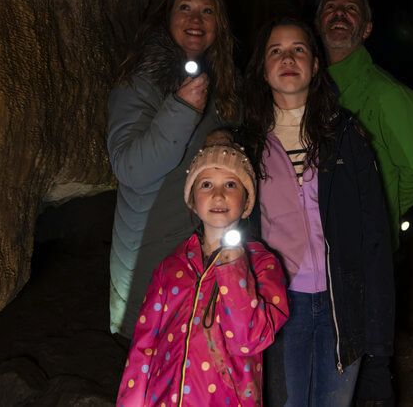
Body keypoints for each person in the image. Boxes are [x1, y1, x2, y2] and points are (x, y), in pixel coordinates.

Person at [243, 18, 395, 406]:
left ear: (315, 64)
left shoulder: (345, 136)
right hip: (278, 305)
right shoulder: (245, 146)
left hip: (341, 303)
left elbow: (374, 236)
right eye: (275, 50)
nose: (288, 58)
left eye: (299, 49)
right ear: (262, 68)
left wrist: (379, 342)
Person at [106, 0, 240, 338]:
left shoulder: (225, 87)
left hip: (201, 255)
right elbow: (131, 167)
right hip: (150, 257)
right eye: (185, 8)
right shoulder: (141, 81)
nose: (196, 19)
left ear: (218, 25)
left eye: (207, 11)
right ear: (167, 17)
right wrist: (181, 109)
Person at [116, 135, 290, 406]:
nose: (218, 195)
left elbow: (249, 341)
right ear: (191, 200)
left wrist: (234, 269)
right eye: (206, 184)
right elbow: (143, 346)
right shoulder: (171, 266)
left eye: (230, 184)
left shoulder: (263, 265)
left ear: (246, 202)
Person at [315, 0, 413, 251]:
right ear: (317, 23)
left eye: (351, 9)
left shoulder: (387, 95)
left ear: (366, 29)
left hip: (365, 251)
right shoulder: (303, 90)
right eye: (331, 7)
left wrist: (380, 210)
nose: (339, 14)